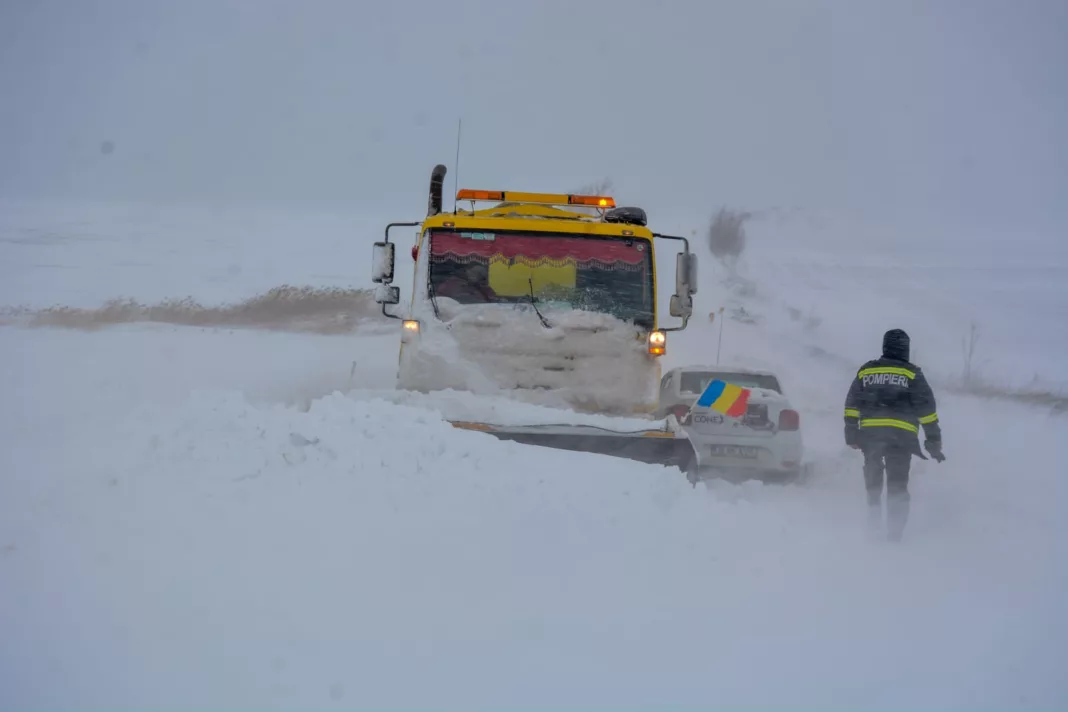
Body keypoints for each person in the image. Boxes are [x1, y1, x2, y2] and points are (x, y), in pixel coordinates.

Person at [843, 328, 945, 541]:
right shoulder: (912, 373)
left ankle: (873, 514)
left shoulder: (866, 371)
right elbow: (926, 411)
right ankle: (895, 533)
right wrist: (933, 440)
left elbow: (852, 405)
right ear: (905, 349)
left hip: (871, 436)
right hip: (902, 438)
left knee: (872, 474)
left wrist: (851, 434)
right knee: (897, 484)